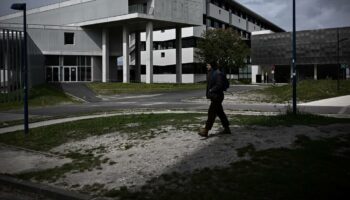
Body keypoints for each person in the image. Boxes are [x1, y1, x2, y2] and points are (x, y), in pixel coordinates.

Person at [198, 62, 231, 137]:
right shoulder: (211, 73)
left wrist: (211, 90)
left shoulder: (217, 73)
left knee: (211, 113)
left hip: (217, 96)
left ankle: (205, 130)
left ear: (212, 65)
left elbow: (219, 85)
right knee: (220, 113)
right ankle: (227, 129)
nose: (207, 66)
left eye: (208, 65)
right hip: (215, 96)